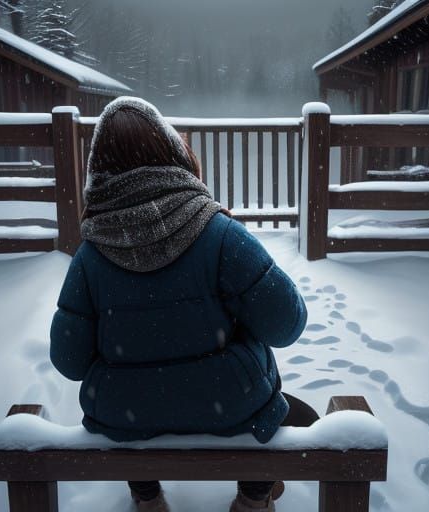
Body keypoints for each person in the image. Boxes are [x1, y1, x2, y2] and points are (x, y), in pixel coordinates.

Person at [50, 96, 318, 512]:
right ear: (175, 154)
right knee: (286, 411)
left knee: (137, 400)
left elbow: (69, 361)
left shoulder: (89, 258)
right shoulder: (221, 234)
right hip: (229, 406)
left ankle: (146, 497)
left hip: (129, 416)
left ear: (97, 172)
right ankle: (253, 497)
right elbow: (287, 325)